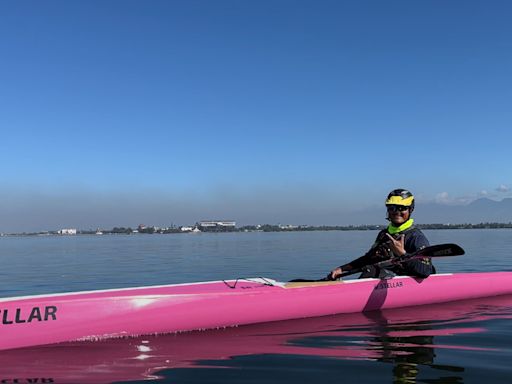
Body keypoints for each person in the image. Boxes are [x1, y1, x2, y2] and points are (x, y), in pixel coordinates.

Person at [328, 189, 435, 280]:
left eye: (402, 208)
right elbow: (368, 259)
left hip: (404, 284)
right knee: (371, 270)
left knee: (377, 272)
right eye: (392, 207)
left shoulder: (416, 237)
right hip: (382, 282)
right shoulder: (384, 234)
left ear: (410, 209)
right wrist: (342, 269)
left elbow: (425, 271)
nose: (397, 211)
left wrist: (402, 254)